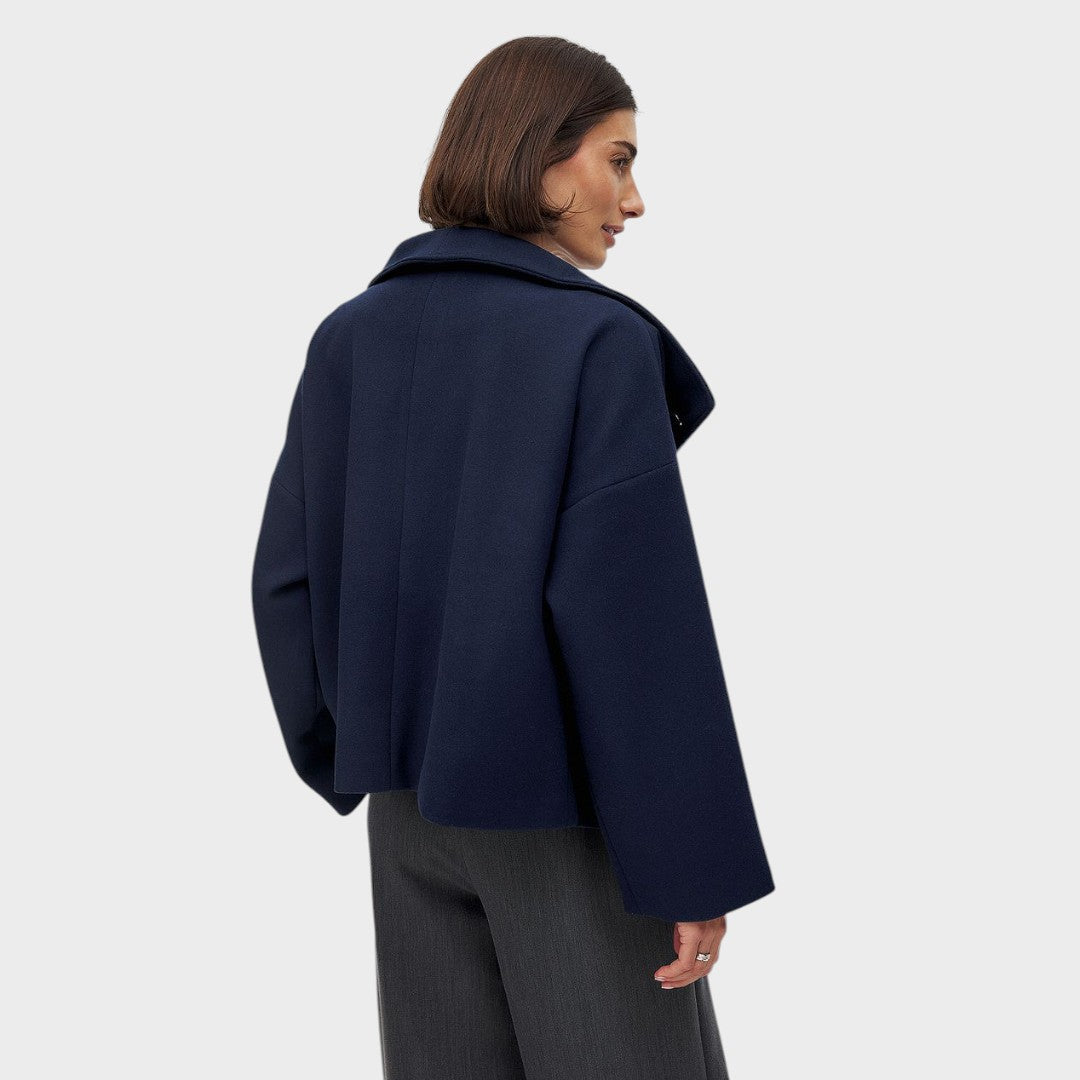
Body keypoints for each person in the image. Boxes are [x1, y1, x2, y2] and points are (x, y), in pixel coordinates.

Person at [252, 35, 776, 1080]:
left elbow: (286, 581)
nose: (633, 201)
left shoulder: (348, 338)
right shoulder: (594, 344)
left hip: (407, 821)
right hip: (564, 820)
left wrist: (351, 752)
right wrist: (688, 860)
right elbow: (636, 625)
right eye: (618, 160)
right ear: (539, 156)